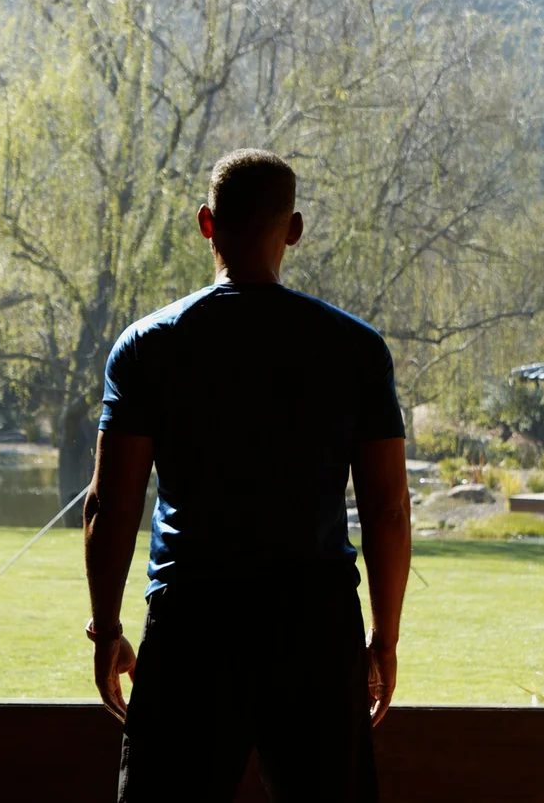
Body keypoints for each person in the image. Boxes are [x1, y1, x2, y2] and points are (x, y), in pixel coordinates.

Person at [83, 148, 412, 802]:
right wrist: (383, 638)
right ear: (293, 229)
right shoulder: (353, 349)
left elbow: (110, 505)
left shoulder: (151, 345)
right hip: (315, 626)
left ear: (207, 223)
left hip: (193, 625)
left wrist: (108, 631)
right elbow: (387, 510)